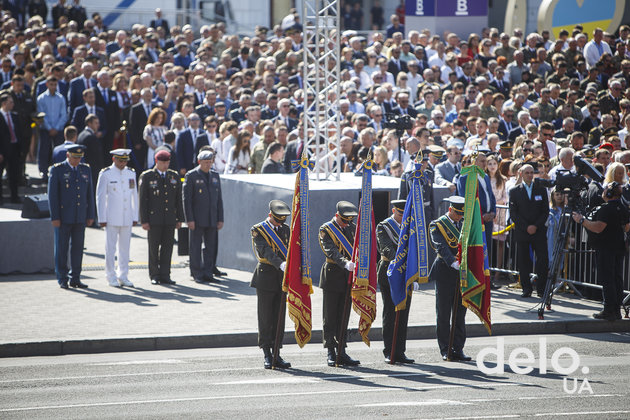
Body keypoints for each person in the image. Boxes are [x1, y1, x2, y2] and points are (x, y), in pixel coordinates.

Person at [250, 200, 292, 369]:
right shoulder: (258, 230)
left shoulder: (285, 229)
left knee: (279, 317)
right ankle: (267, 352)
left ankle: (277, 352)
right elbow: (264, 250)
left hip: (282, 278)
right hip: (266, 276)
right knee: (266, 317)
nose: (279, 223)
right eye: (277, 220)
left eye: (282, 220)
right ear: (270, 216)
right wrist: (280, 263)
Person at [429, 196, 471, 361]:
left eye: (462, 214)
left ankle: (458, 347)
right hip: (445, 270)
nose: (460, 217)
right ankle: (446, 348)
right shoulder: (437, 224)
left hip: (462, 272)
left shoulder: (464, 223)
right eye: (458, 214)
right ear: (450, 210)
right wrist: (452, 262)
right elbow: (439, 245)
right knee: (444, 312)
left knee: (460, 311)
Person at [319, 201, 361, 367]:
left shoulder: (351, 227)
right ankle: (331, 350)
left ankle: (342, 350)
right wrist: (345, 262)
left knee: (344, 315)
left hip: (348, 277)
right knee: (330, 316)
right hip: (333, 274)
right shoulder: (326, 230)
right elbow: (330, 250)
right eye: (344, 220)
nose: (347, 223)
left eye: (349, 220)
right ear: (337, 216)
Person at [48, 144, 95, 289]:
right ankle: (62, 277)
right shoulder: (58, 170)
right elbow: (53, 196)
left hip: (79, 216)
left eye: (80, 158)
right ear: (68, 155)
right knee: (61, 248)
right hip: (63, 216)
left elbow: (89, 194)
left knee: (78, 248)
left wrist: (90, 214)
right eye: (75, 157)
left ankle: (76, 277)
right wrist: (55, 216)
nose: (77, 160)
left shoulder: (85, 169)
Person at [376, 199, 414, 364]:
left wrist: (414, 273)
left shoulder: (410, 226)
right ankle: (389, 350)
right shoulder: (383, 226)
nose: (402, 216)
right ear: (393, 211)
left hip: (406, 273)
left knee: (404, 313)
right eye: (400, 213)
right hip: (389, 272)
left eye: (404, 214)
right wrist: (402, 262)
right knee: (391, 312)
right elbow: (386, 249)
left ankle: (400, 351)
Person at [139, 149, 184, 285]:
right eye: (162, 162)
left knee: (167, 247)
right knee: (153, 248)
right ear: (156, 161)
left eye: (167, 162)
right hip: (154, 219)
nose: (165, 165)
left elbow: (178, 199)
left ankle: (165, 274)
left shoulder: (173, 176)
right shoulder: (147, 176)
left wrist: (180, 218)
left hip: (169, 218)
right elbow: (143, 200)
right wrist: (144, 220)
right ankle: (154, 274)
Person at [96, 149, 138, 287]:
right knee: (110, 248)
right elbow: (100, 197)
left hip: (127, 216)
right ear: (114, 159)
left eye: (125, 160)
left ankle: (123, 275)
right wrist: (101, 217)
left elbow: (134, 196)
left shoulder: (130, 173)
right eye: (120, 160)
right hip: (112, 216)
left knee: (125, 248)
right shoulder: (106, 174)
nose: (123, 163)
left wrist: (135, 215)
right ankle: (110, 275)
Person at [183, 150, 224, 284]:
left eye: (210, 162)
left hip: (212, 217)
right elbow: (187, 200)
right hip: (197, 218)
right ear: (199, 162)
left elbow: (219, 200)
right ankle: (196, 273)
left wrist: (220, 218)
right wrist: (189, 219)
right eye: (205, 162)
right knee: (195, 246)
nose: (208, 165)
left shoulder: (214, 176)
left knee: (210, 247)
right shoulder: (192, 176)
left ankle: (208, 272)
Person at [508, 164, 549, 298]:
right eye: (527, 173)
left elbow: (545, 211)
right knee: (523, 261)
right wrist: (526, 227)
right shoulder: (514, 191)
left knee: (542, 260)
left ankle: (541, 289)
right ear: (521, 173)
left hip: (538, 231)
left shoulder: (541, 189)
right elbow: (513, 213)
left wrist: (535, 226)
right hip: (522, 231)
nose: (530, 175)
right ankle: (526, 288)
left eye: (532, 172)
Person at [0, 93, 24, 204]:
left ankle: (14, 196)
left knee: (14, 175)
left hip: (14, 149)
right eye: (10, 102)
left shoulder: (14, 116)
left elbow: (19, 132)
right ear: (4, 103)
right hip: (3, 150)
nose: (13, 104)